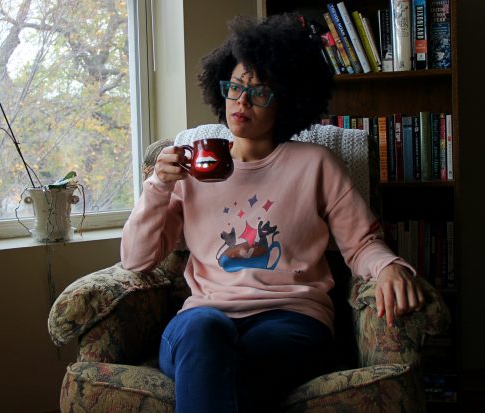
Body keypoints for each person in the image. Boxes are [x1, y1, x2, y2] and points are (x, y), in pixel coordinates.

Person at [120, 12, 425, 413]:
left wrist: (388, 266)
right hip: (204, 318)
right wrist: (158, 186)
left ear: (288, 101)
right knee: (205, 333)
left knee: (229, 366)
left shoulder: (315, 164)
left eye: (260, 92)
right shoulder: (192, 166)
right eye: (235, 87)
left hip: (292, 319)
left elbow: (362, 242)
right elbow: (136, 260)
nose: (242, 101)